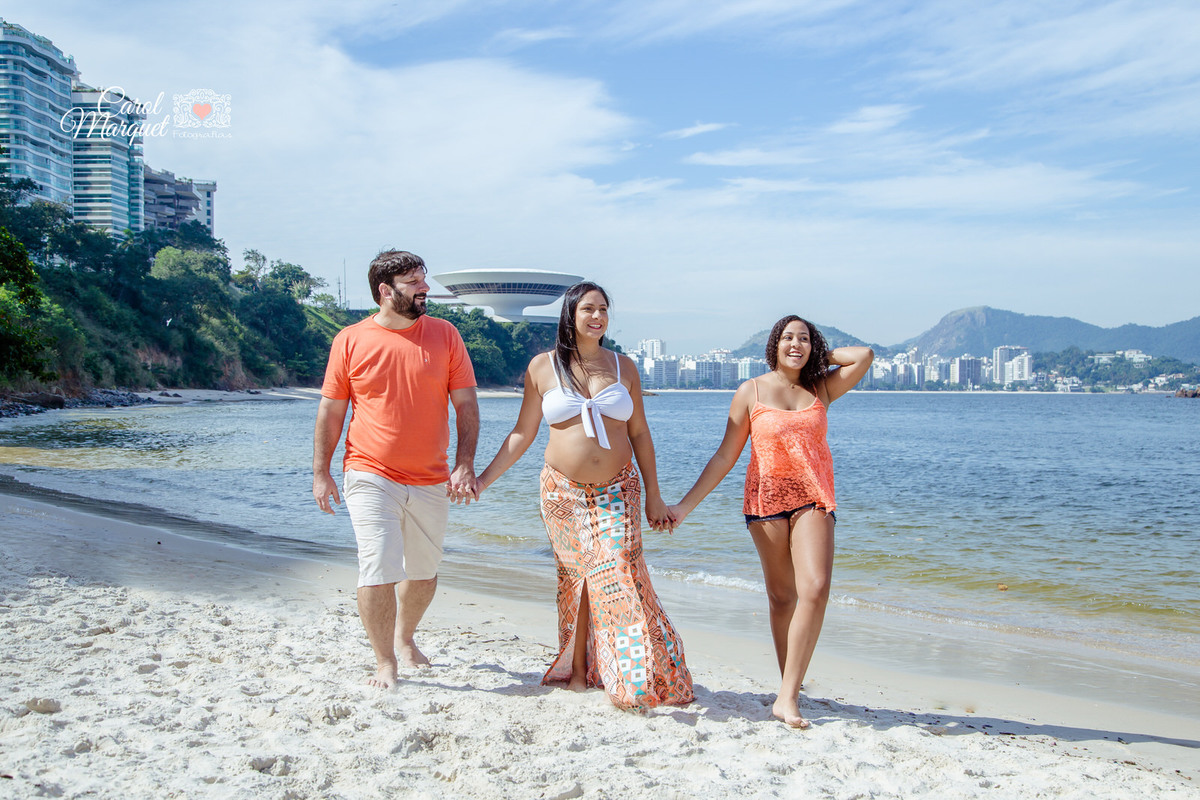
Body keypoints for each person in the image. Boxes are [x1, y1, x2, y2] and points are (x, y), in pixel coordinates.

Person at [474, 282, 693, 709]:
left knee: (619, 573)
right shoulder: (543, 367)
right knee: (577, 581)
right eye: (589, 309)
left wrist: (655, 495)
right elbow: (522, 434)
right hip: (561, 491)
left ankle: (633, 678)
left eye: (604, 309)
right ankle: (579, 671)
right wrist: (483, 481)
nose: (597, 317)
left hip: (619, 488)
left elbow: (640, 433)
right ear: (570, 315)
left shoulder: (624, 367)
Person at [668, 315, 873, 727]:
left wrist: (818, 353)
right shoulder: (752, 391)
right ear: (773, 345)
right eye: (788, 338)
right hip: (766, 502)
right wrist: (684, 507)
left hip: (814, 499)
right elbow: (725, 456)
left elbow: (864, 356)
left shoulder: (821, 388)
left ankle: (788, 696)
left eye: (804, 339)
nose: (795, 344)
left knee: (815, 588)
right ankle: (788, 688)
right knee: (782, 599)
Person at [312, 249, 480, 690]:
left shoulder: (446, 335)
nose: (425, 288)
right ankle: (385, 661)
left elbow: (466, 405)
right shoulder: (350, 340)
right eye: (413, 281)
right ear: (385, 291)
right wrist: (321, 472)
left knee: (423, 573)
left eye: (423, 278)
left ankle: (405, 638)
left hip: (431, 477)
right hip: (369, 471)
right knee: (378, 566)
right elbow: (331, 411)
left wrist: (464, 464)